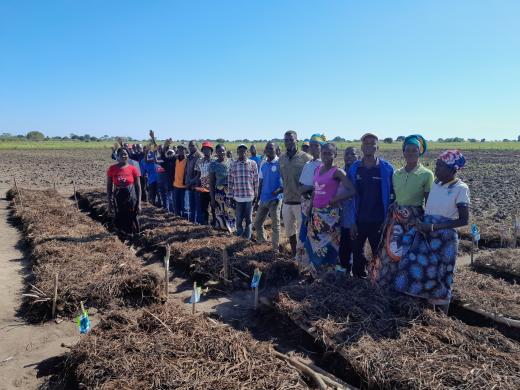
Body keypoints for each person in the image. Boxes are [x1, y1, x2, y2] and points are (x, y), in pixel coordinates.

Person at [392, 150, 469, 312]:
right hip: (426, 233)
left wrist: (434, 227)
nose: (436, 170)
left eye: (440, 166)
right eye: (436, 165)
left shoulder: (461, 188)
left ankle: (442, 318)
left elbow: (463, 220)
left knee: (442, 275)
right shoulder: (436, 184)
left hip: (444, 239)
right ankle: (423, 311)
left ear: (452, 170)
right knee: (418, 268)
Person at [371, 135, 433, 286]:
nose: (411, 153)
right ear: (403, 152)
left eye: (414, 150)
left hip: (414, 220)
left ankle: (406, 288)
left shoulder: (426, 174)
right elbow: (392, 197)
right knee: (389, 252)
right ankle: (385, 284)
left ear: (420, 152)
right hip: (396, 218)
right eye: (408, 150)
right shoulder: (396, 174)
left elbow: (428, 201)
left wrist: (426, 224)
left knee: (410, 254)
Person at [348, 133, 394, 277]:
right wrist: (351, 222)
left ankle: (377, 280)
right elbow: (350, 197)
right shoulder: (355, 168)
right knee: (357, 252)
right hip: (359, 220)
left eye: (372, 143)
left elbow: (393, 197)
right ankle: (358, 279)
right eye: (365, 143)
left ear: (377, 147)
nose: (368, 146)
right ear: (361, 147)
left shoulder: (387, 169)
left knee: (378, 253)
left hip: (378, 220)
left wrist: (387, 221)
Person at [305, 143, 356, 272]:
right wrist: (309, 208)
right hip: (316, 214)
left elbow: (351, 190)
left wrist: (334, 199)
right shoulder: (318, 169)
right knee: (315, 245)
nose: (326, 156)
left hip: (330, 216)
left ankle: (329, 275)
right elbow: (315, 191)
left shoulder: (337, 172)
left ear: (335, 155)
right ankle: (316, 274)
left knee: (330, 246)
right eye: (324, 153)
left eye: (329, 153)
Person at [279, 130, 312, 256]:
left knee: (302, 232)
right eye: (286, 140)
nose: (288, 142)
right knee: (289, 231)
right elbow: (283, 178)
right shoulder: (282, 159)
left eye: (291, 140)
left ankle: (302, 256)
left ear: (296, 141)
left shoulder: (305, 158)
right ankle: (294, 254)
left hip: (301, 202)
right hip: (287, 201)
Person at [297, 134, 324, 263]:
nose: (313, 148)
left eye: (316, 146)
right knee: (304, 230)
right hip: (305, 204)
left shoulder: (324, 165)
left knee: (316, 233)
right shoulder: (308, 164)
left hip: (318, 206)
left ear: (321, 148)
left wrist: (308, 188)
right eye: (311, 145)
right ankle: (303, 261)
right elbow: (302, 184)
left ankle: (316, 262)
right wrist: (305, 189)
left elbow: (322, 187)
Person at [254, 142, 283, 251]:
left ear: (276, 150)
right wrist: (258, 198)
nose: (269, 151)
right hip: (264, 198)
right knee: (257, 223)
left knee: (275, 226)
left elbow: (284, 181)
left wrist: (279, 191)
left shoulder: (280, 163)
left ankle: (275, 249)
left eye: (271, 148)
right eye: (267, 149)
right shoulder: (263, 163)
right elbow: (260, 182)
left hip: (275, 199)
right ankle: (262, 241)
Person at [107, 148, 142, 236]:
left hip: (131, 199)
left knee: (132, 218)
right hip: (118, 198)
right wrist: (109, 202)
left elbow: (138, 187)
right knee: (120, 217)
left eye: (125, 154)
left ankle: (134, 237)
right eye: (121, 154)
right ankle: (122, 237)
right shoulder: (112, 169)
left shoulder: (133, 169)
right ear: (117, 157)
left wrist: (139, 203)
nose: (124, 156)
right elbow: (109, 186)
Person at [228, 144, 259, 239]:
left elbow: (256, 180)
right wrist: (230, 197)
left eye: (244, 151)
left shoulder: (252, 163)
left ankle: (247, 238)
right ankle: (239, 237)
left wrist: (256, 195)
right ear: (237, 153)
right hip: (237, 197)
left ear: (247, 152)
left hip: (249, 197)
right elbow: (230, 181)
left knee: (249, 219)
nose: (242, 153)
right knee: (238, 219)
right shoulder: (233, 164)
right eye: (240, 151)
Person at [338, 147, 359, 273]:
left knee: (354, 247)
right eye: (347, 154)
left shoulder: (359, 172)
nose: (349, 156)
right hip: (341, 216)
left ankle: (354, 274)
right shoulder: (340, 172)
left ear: (358, 157)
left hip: (355, 218)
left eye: (353, 154)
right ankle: (344, 272)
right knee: (343, 248)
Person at [209, 144, 235, 232]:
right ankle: (221, 231)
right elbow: (211, 182)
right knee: (219, 213)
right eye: (219, 151)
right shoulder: (213, 165)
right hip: (219, 193)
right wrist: (212, 198)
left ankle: (231, 230)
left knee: (230, 212)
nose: (221, 152)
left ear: (225, 151)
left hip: (230, 192)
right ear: (216, 152)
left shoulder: (231, 162)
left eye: (223, 150)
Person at [194, 141, 214, 225]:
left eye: (208, 149)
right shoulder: (199, 161)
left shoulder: (214, 161)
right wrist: (196, 185)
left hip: (213, 188)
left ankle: (215, 223)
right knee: (204, 208)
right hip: (203, 188)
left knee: (214, 208)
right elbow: (198, 174)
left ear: (211, 151)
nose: (206, 151)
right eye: (204, 149)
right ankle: (206, 224)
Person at [186, 141, 203, 222]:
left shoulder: (199, 156)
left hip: (197, 185)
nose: (190, 147)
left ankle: (198, 224)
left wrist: (191, 181)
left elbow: (199, 174)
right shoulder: (190, 156)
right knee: (191, 205)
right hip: (190, 184)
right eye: (189, 146)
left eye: (192, 146)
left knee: (198, 206)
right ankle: (191, 223)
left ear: (196, 146)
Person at [172, 144, 188, 217]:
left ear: (185, 150)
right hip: (176, 185)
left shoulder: (188, 160)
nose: (180, 151)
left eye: (182, 149)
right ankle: (176, 221)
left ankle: (184, 222)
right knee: (176, 205)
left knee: (184, 206)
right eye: (179, 150)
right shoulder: (176, 159)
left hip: (184, 187)